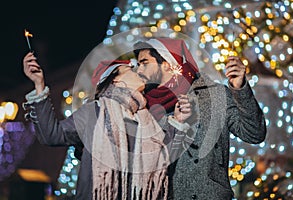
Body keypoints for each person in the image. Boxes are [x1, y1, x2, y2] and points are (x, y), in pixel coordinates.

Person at [22, 52, 192, 200]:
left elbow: (164, 158)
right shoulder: (95, 112)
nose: (138, 70)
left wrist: (178, 121)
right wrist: (39, 85)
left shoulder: (147, 120)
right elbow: (52, 135)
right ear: (116, 79)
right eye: (131, 68)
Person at [133, 37, 267, 199]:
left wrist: (240, 89)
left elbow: (254, 134)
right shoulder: (141, 106)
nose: (139, 70)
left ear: (167, 64)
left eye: (145, 63)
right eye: (138, 64)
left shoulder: (215, 95)